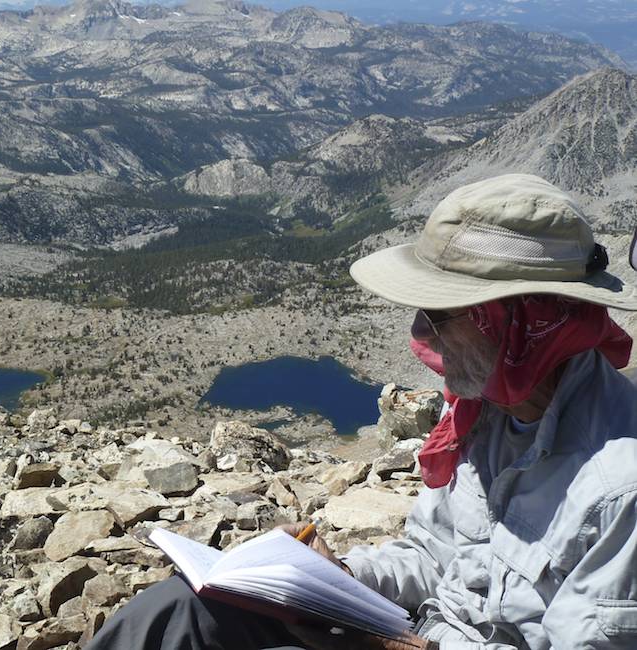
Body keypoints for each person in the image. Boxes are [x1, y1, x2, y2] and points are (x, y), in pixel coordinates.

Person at [85, 174, 637, 649]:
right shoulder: (487, 416)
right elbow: (433, 554)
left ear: (515, 324)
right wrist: (341, 577)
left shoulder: (619, 488)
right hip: (419, 632)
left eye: (440, 314)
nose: (421, 335)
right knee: (180, 610)